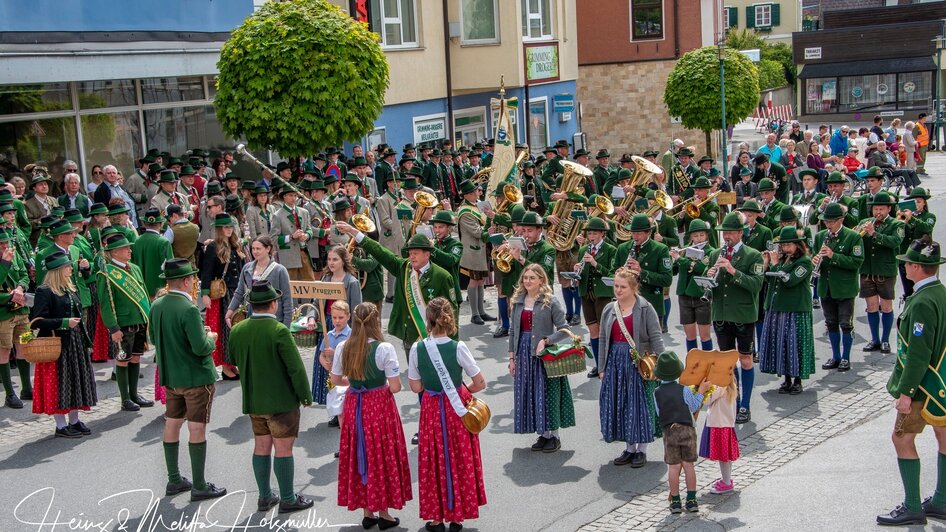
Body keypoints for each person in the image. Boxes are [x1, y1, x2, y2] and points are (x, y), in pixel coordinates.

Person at [228, 280, 314, 514]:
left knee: (261, 446)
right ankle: (287, 498)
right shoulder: (279, 331)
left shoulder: (237, 330)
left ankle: (265, 496)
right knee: (283, 449)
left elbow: (233, 360)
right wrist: (305, 396)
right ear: (273, 304)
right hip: (281, 401)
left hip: (254, 400)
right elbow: (295, 368)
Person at [877, 236, 946, 525]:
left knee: (902, 437)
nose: (905, 267)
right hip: (942, 382)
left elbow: (918, 353)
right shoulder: (941, 293)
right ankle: (942, 500)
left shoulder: (921, 302)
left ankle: (913, 506)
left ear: (918, 268)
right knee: (943, 436)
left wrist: (906, 392)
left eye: (908, 263)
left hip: (923, 386)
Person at [149, 258, 226, 502]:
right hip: (195, 377)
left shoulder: (157, 304)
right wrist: (211, 337)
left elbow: (153, 338)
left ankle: (174, 479)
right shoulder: (189, 309)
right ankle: (200, 484)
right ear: (185, 280)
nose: (194, 281)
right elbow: (201, 348)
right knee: (196, 427)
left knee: (172, 423)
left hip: (171, 376)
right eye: (192, 278)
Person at [408, 297, 487, 532]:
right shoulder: (458, 347)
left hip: (432, 408)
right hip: (456, 409)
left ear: (428, 321)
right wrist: (461, 392)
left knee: (434, 459)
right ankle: (457, 516)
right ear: (449, 318)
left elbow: (415, 387)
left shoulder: (418, 347)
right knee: (458, 458)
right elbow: (480, 382)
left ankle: (436, 519)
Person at [331, 302, 411, 529]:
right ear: (376, 322)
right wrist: (379, 383)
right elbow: (395, 387)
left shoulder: (344, 347)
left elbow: (337, 380)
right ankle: (384, 513)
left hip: (354, 404)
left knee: (361, 453)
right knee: (380, 456)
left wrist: (356, 383)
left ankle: (368, 512)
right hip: (378, 406)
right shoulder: (384, 349)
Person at [598, 267, 665, 467]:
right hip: (616, 362)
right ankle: (629, 447)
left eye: (623, 287)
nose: (618, 290)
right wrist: (602, 366)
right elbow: (602, 339)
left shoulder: (645, 308)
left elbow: (656, 337)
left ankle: (641, 449)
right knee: (622, 404)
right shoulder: (609, 309)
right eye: (616, 286)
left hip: (639, 363)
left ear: (633, 288)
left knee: (639, 405)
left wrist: (662, 364)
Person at [508, 264, 576, 453]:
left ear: (541, 280)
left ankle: (554, 435)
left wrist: (547, 340)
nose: (527, 281)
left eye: (532, 278)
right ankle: (543, 433)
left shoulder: (550, 301)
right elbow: (513, 331)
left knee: (547, 393)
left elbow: (565, 330)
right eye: (525, 277)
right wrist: (512, 358)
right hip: (523, 353)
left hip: (544, 356)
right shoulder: (518, 301)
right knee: (532, 393)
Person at [29, 251, 96, 437]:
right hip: (57, 343)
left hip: (75, 342)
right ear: (59, 270)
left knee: (76, 380)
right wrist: (64, 323)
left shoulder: (70, 288)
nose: (70, 269)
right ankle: (60, 425)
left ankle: (74, 421)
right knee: (60, 382)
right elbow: (37, 321)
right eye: (67, 266)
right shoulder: (45, 291)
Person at [707, 213, 764, 424]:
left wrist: (732, 270)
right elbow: (709, 284)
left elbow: (756, 285)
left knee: (746, 360)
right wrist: (708, 278)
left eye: (731, 232)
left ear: (741, 233)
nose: (727, 236)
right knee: (727, 362)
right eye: (724, 233)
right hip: (721, 314)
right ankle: (734, 399)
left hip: (743, 315)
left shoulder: (753, 255)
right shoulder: (715, 254)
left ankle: (745, 404)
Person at [97, 233, 152, 412]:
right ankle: (125, 398)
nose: (129, 250)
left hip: (139, 319)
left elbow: (142, 292)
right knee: (122, 359)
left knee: (136, 357)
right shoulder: (106, 273)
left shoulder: (134, 268)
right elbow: (105, 304)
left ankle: (135, 394)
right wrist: (113, 327)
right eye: (125, 248)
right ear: (114, 252)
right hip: (123, 323)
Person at [653, 351, 712, 514]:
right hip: (686, 429)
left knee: (673, 467)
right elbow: (693, 406)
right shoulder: (684, 389)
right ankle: (692, 500)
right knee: (688, 465)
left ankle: (676, 501)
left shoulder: (656, 393)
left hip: (669, 431)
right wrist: (701, 391)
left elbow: (659, 412)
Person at [758, 226, 815, 394]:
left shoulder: (804, 261)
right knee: (781, 343)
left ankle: (797, 380)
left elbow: (789, 280)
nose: (785, 248)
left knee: (795, 343)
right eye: (783, 245)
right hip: (777, 307)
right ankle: (786, 379)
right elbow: (769, 281)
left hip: (795, 309)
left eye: (789, 245)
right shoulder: (782, 260)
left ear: (798, 245)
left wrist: (775, 265)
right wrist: (767, 264)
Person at [813, 203, 864, 372]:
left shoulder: (852, 237)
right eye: (826, 222)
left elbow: (856, 262)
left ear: (841, 220)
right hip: (826, 287)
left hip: (844, 288)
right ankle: (835, 356)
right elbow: (815, 257)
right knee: (831, 323)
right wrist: (814, 261)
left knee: (845, 324)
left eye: (832, 222)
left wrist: (834, 256)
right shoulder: (821, 236)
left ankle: (846, 358)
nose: (828, 225)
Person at [312, 246, 362, 410]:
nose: (331, 263)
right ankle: (330, 404)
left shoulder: (351, 282)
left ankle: (343, 403)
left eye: (335, 259)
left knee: (342, 365)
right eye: (329, 259)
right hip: (327, 327)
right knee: (326, 364)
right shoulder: (325, 279)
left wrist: (354, 336)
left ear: (343, 261)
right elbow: (316, 303)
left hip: (344, 327)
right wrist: (312, 317)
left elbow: (356, 310)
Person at [201, 213, 247, 380]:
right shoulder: (213, 247)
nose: (229, 230)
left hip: (237, 292)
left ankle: (233, 362)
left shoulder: (236, 245)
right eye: (226, 227)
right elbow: (206, 272)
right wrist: (205, 294)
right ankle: (226, 365)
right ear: (219, 229)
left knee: (237, 327)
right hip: (222, 293)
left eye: (230, 227)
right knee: (224, 328)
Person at [859, 191, 904, 354]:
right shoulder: (865, 222)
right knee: (871, 306)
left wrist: (874, 234)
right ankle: (875, 339)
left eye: (881, 209)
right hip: (867, 270)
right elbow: (855, 239)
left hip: (885, 270)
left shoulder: (897, 224)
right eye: (875, 209)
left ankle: (885, 340)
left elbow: (895, 242)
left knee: (886, 305)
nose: (878, 212)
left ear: (888, 210)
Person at [575, 217, 615, 377]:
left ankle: (608, 364)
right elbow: (581, 274)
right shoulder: (583, 249)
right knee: (593, 331)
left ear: (602, 234)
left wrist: (595, 264)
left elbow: (611, 273)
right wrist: (577, 269)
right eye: (589, 233)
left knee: (605, 331)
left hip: (603, 294)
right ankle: (598, 365)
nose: (591, 237)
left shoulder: (611, 249)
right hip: (586, 293)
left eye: (594, 233)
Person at [226, 235, 292, 327]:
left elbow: (287, 299)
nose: (255, 252)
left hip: (274, 319)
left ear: (268, 249)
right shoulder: (247, 268)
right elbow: (239, 292)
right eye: (253, 248)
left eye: (258, 249)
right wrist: (229, 311)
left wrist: (286, 325)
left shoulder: (280, 270)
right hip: (251, 316)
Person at [671, 220, 716, 352]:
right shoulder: (684, 250)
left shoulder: (711, 252)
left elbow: (703, 268)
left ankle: (708, 363)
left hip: (701, 295)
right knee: (690, 335)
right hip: (684, 295)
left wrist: (681, 260)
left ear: (706, 236)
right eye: (695, 236)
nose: (698, 239)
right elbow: (674, 271)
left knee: (704, 335)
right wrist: (673, 259)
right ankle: (693, 365)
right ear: (690, 237)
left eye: (701, 235)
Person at [457, 180, 493, 325]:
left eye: (476, 191)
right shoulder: (464, 211)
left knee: (481, 280)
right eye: (473, 192)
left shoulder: (476, 205)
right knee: (474, 280)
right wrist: (489, 230)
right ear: (467, 195)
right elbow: (476, 232)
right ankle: (475, 313)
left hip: (481, 249)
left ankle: (481, 311)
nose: (476, 194)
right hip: (473, 250)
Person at [699, 380, 740, 494]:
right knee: (726, 455)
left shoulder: (721, 386)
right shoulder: (730, 384)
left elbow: (707, 400)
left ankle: (726, 482)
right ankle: (727, 479)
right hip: (726, 424)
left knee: (723, 457)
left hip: (719, 424)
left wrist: (704, 389)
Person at [270, 185, 315, 281]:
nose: (294, 198)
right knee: (290, 285)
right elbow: (273, 238)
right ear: (284, 196)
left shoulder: (304, 212)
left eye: (295, 195)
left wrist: (306, 235)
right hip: (288, 256)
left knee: (310, 282)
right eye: (291, 195)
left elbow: (309, 230)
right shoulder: (277, 215)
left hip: (304, 253)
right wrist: (291, 237)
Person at [319, 301, 352, 433]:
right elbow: (321, 355)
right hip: (333, 373)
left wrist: (335, 353)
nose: (337, 321)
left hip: (346, 373)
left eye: (341, 318)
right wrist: (325, 364)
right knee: (334, 395)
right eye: (334, 318)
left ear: (348, 316)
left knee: (345, 398)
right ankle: (336, 415)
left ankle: (344, 417)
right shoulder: (329, 335)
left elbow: (352, 356)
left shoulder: (351, 335)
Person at [898, 187, 937, 297]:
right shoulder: (904, 217)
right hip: (906, 257)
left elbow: (927, 228)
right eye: (914, 202)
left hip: (922, 258)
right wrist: (900, 221)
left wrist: (912, 219)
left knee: (923, 292)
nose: (916, 204)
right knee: (909, 292)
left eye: (919, 201)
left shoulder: (929, 216)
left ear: (924, 203)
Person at [132, 208, 174, 300]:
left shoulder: (137, 241)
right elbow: (170, 267)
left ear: (144, 223)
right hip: (160, 291)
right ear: (161, 224)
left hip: (141, 290)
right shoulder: (164, 242)